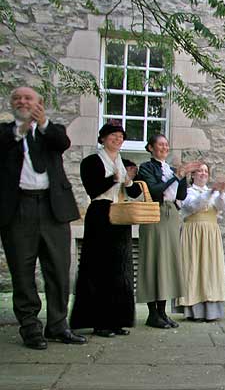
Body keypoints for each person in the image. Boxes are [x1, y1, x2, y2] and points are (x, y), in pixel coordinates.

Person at [0, 87, 86, 349]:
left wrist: (41, 123)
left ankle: (58, 325)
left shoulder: (52, 131)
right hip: (18, 210)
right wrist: (22, 129)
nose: (22, 102)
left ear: (40, 103)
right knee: (23, 271)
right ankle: (30, 328)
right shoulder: (6, 132)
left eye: (28, 98)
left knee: (59, 269)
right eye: (17, 99)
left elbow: (63, 143)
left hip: (52, 208)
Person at [69, 122, 141, 337]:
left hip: (120, 215)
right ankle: (99, 322)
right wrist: (114, 178)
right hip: (100, 213)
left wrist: (128, 182)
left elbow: (135, 192)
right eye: (113, 135)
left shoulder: (122, 162)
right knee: (99, 268)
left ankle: (116, 320)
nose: (117, 139)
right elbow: (93, 188)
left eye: (120, 136)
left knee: (120, 270)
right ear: (102, 138)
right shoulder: (91, 161)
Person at [136, 134, 200, 329]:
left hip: (171, 214)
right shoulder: (146, 168)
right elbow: (155, 191)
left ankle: (162, 312)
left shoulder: (170, 169)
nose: (164, 147)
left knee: (168, 262)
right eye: (160, 144)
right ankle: (152, 313)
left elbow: (180, 195)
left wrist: (182, 178)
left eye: (166, 144)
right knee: (154, 260)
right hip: (154, 214)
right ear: (151, 148)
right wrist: (177, 176)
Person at [174, 164, 225, 321]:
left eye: (206, 171)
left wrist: (221, 192)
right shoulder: (188, 192)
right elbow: (193, 206)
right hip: (194, 232)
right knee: (194, 268)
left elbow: (223, 206)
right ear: (193, 175)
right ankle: (194, 309)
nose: (203, 174)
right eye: (200, 171)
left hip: (211, 232)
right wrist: (211, 192)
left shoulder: (211, 192)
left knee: (210, 269)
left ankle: (211, 308)